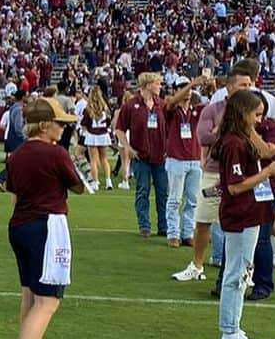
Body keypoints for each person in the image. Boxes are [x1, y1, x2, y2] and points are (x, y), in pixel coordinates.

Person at [0, 98, 86, 339]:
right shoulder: (55, 153)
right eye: (60, 123)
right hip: (47, 225)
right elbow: (78, 186)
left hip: (20, 225)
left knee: (30, 295)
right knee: (48, 301)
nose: (63, 128)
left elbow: (12, 189)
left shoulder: (17, 153)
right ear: (45, 124)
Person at [213, 89, 275, 339]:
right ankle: (230, 333)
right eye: (255, 114)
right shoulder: (233, 143)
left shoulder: (241, 138)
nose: (259, 120)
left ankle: (233, 330)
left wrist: (251, 128)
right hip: (241, 214)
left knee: (241, 272)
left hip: (250, 212)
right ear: (243, 113)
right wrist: (267, 172)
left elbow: (265, 150)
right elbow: (235, 186)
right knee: (236, 274)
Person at [175, 67, 253, 283]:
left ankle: (245, 270)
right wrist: (223, 129)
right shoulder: (213, 109)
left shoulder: (253, 109)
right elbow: (203, 137)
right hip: (214, 172)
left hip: (242, 173)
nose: (248, 88)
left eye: (249, 84)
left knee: (242, 224)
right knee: (203, 219)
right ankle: (196, 265)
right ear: (229, 87)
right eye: (243, 85)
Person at [116, 73, 169, 237]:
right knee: (142, 191)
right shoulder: (131, 105)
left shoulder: (162, 105)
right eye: (157, 83)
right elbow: (119, 129)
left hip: (161, 157)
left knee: (163, 193)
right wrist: (128, 147)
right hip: (141, 157)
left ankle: (164, 226)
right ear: (147, 85)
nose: (160, 86)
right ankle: (144, 226)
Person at [163, 76, 207, 249]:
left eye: (187, 88)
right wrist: (192, 84)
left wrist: (210, 86)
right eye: (181, 87)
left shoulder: (196, 111)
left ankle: (188, 233)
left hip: (194, 160)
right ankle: (173, 233)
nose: (187, 91)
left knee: (193, 200)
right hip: (176, 160)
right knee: (175, 199)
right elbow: (172, 102)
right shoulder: (171, 110)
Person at [80, 86, 114, 189]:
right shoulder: (105, 108)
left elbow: (84, 124)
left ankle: (95, 182)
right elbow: (108, 122)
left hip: (92, 135)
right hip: (103, 135)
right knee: (104, 159)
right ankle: (108, 181)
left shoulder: (88, 109)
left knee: (93, 160)